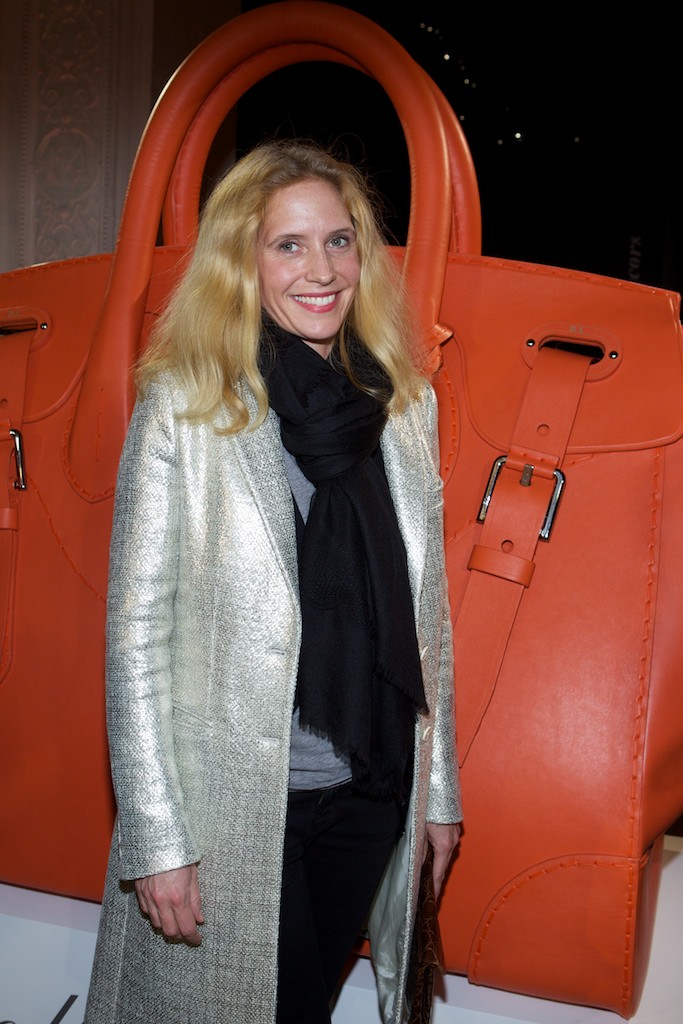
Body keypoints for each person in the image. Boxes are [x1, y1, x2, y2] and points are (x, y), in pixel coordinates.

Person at [84, 140, 462, 1024]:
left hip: (368, 791)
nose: (320, 270)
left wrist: (436, 791)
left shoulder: (404, 405)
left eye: (338, 240)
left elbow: (428, 617)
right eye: (288, 245)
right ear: (241, 263)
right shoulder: (186, 404)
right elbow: (136, 633)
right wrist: (157, 836)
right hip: (234, 810)